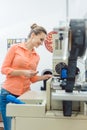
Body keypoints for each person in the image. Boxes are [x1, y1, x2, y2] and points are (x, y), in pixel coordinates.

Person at [0, 23, 52, 130]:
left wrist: (45, 77)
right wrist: (23, 72)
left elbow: (32, 79)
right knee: (9, 127)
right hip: (8, 93)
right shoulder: (15, 48)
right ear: (33, 35)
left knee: (23, 126)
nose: (42, 43)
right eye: (41, 39)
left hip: (24, 96)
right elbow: (4, 69)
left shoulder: (36, 56)